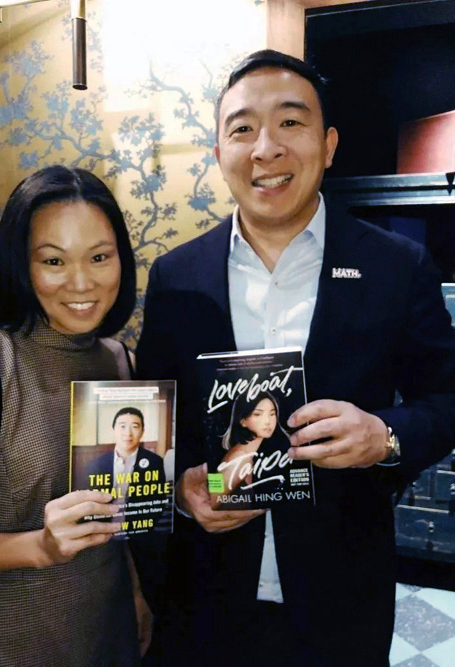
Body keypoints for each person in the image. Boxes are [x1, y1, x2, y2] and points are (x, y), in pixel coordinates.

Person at [136, 50, 455, 667]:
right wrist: (176, 489)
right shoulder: (176, 276)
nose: (266, 148)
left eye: (290, 122)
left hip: (342, 596)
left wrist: (385, 436)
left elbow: (447, 397)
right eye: (243, 129)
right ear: (219, 153)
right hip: (205, 598)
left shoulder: (396, 266)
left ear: (328, 144)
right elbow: (156, 426)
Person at [0, 165, 151, 666]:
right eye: (54, 261)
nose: (81, 282)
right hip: (11, 644)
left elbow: (124, 509)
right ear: (23, 267)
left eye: (99, 257)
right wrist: (39, 547)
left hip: (110, 631)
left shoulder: (121, 362)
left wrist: (134, 591)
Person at [87, 407, 167, 527]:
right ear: (114, 430)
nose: (128, 433)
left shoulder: (155, 462)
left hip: (138, 530)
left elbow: (159, 501)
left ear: (142, 432)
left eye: (134, 427)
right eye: (122, 426)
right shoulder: (97, 464)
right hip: (103, 530)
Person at [212, 392, 290, 507]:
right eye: (258, 414)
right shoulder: (239, 456)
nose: (268, 421)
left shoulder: (249, 455)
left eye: (272, 414)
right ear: (242, 420)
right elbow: (211, 501)